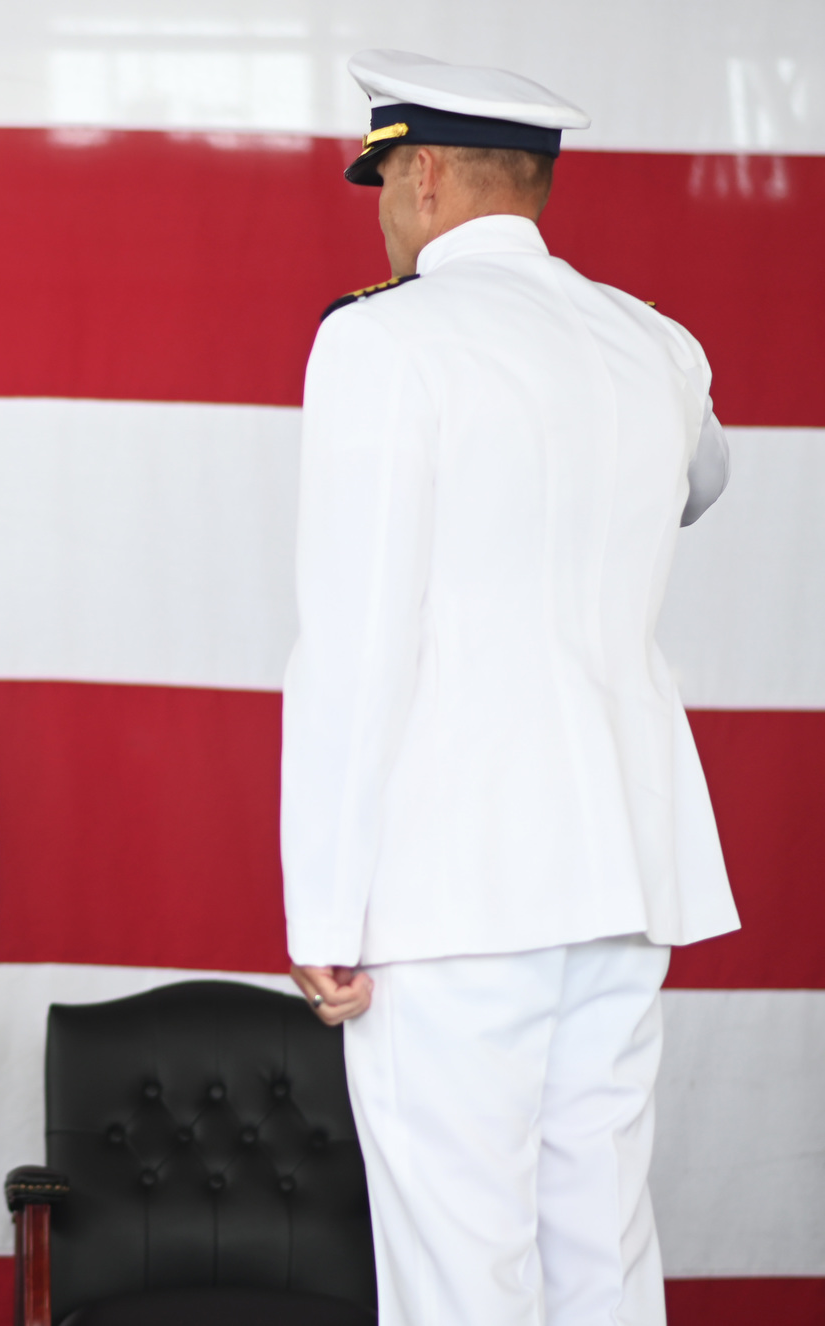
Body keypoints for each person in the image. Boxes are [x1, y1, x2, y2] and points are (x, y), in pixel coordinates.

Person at [281, 51, 740, 1325]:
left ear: (420, 173)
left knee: (456, 1261)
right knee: (599, 1243)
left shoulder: (381, 342)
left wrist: (322, 900)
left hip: (451, 879)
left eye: (380, 177)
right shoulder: (655, 343)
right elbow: (699, 486)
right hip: (621, 862)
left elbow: (356, 638)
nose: (377, 203)